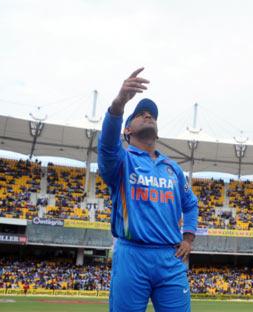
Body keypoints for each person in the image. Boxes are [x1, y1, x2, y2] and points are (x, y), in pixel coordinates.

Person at [98, 67, 199, 312]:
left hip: (170, 257)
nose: (148, 116)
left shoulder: (172, 168)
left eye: (151, 115)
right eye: (141, 114)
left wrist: (188, 237)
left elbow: (191, 203)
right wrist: (119, 103)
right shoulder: (121, 161)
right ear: (127, 129)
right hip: (132, 254)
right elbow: (108, 145)